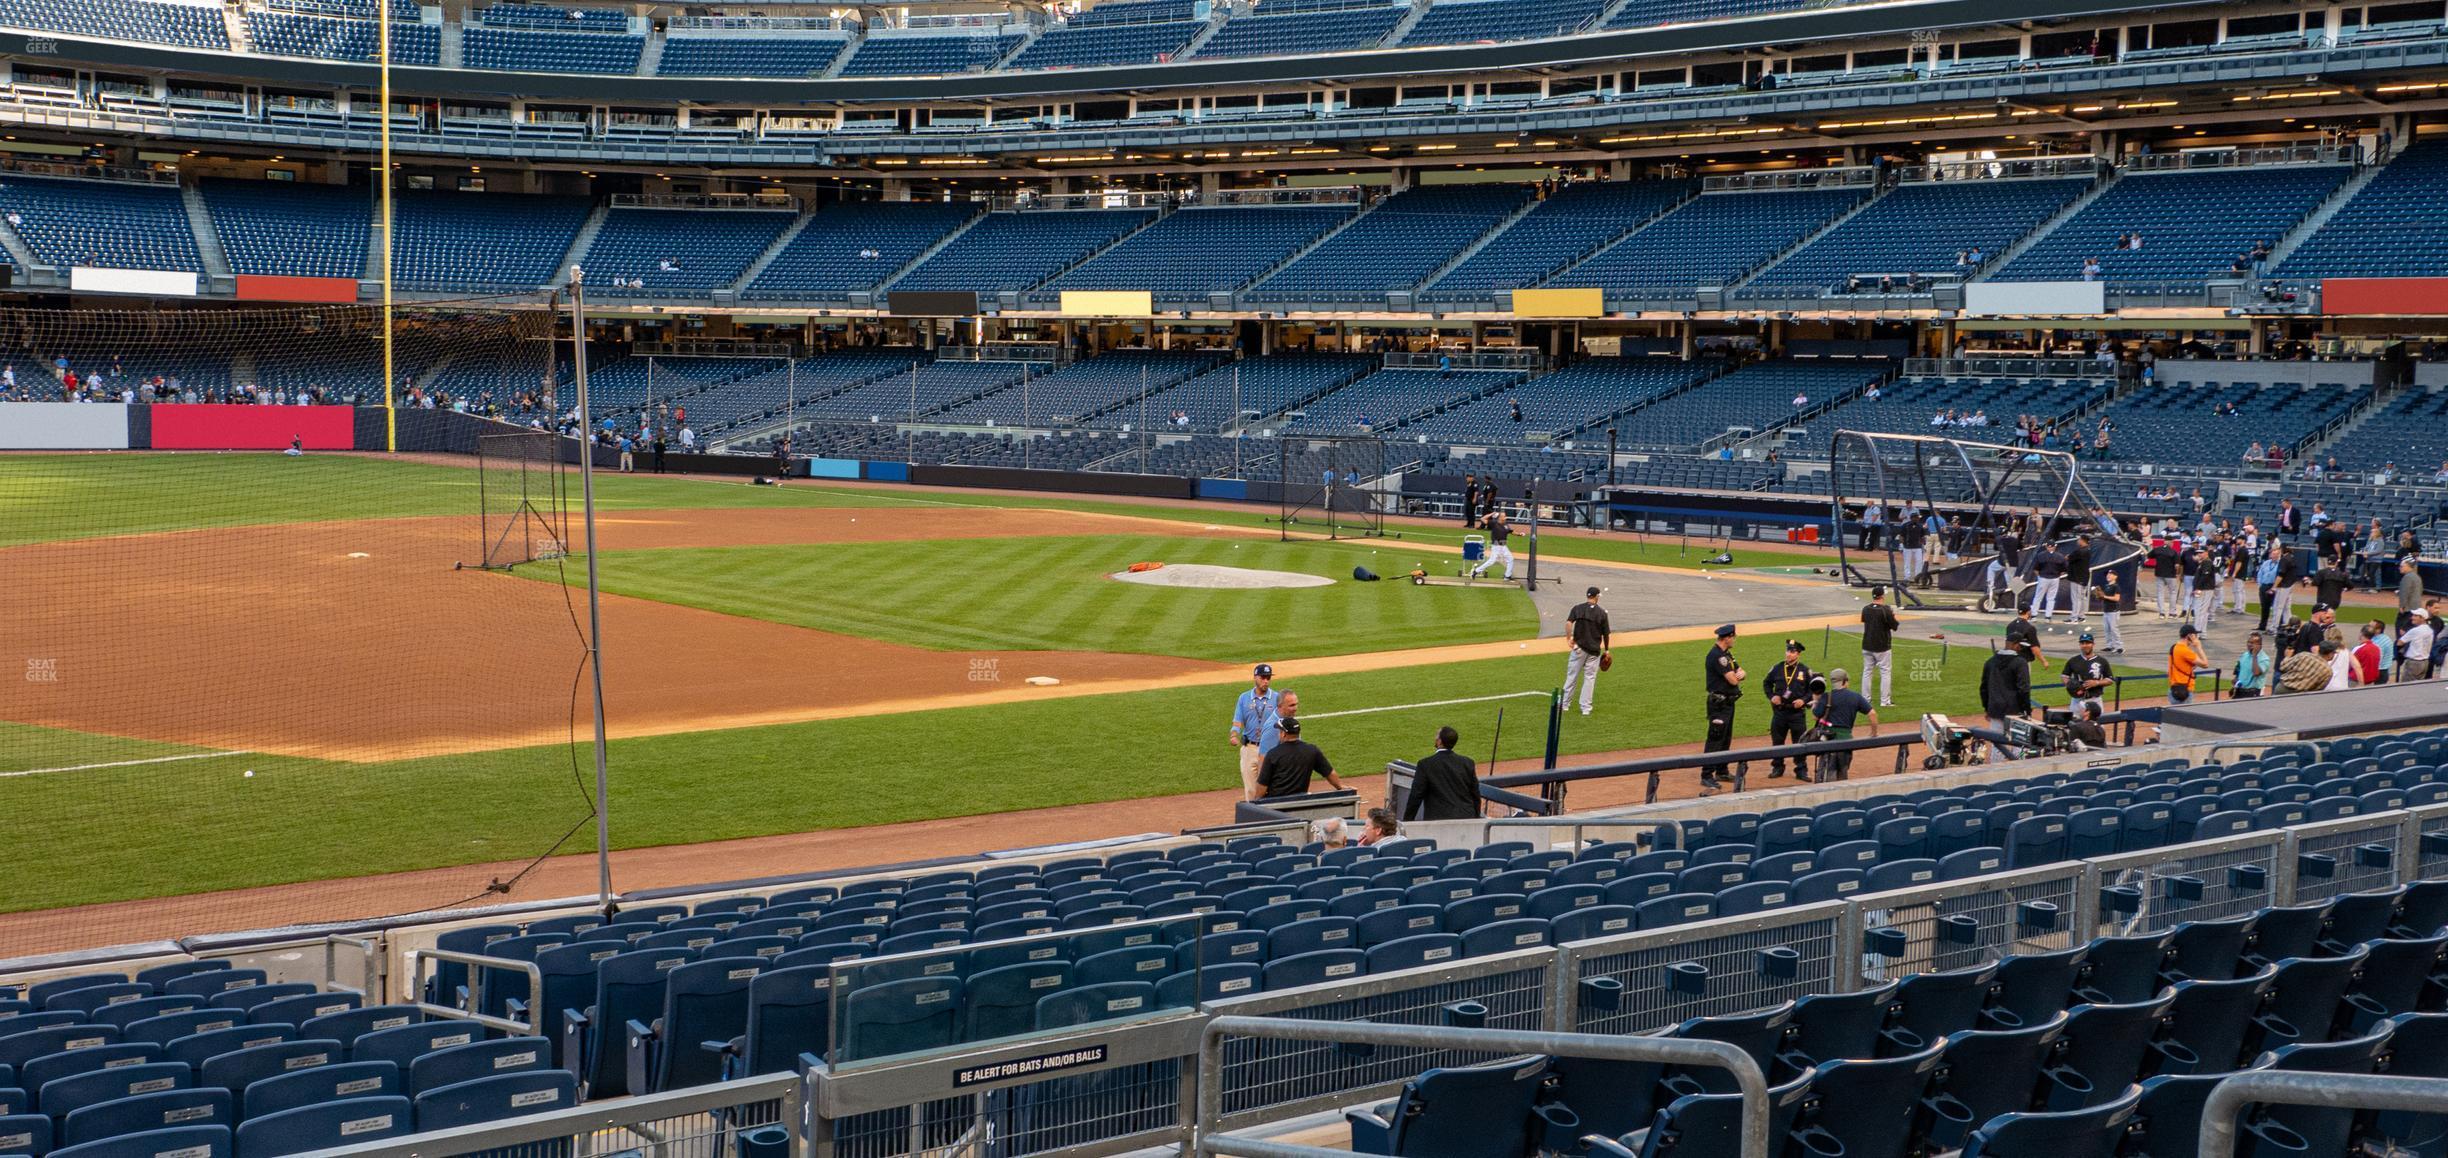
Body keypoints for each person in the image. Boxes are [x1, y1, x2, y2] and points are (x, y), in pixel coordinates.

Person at [1810, 668, 1877, 781]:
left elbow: (1815, 716)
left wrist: (1816, 700)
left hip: (1828, 739)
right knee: (1843, 771)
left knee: (1827, 772)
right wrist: (1873, 733)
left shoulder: (1827, 696)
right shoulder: (1856, 697)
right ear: (1845, 681)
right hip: (1846, 740)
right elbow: (1872, 714)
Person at [1700, 624, 1744, 795]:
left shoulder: (1726, 654)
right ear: (1727, 638)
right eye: (1733, 637)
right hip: (1719, 704)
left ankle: (1721, 770)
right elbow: (1734, 679)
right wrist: (1737, 676)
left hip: (1728, 703)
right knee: (1715, 738)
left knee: (1726, 738)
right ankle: (1706, 774)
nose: (1734, 640)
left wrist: (1739, 675)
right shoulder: (1717, 656)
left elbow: (1741, 672)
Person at [1762, 639, 1815, 780]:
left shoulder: (1805, 670)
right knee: (1777, 741)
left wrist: (1803, 700)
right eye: (1788, 651)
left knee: (1800, 742)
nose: (1789, 654)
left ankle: (1801, 770)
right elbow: (1766, 684)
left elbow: (1812, 690)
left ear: (1798, 654)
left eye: (1792, 652)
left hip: (1797, 713)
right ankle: (1777, 767)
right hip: (1780, 712)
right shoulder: (1777, 668)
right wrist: (1772, 696)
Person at [1404, 726, 1481, 821]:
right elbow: (1475, 794)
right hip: (1467, 816)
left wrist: (1407, 820)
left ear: (1439, 742)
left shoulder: (1425, 764)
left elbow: (1416, 795)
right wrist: (1477, 818)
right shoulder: (1467, 762)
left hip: (1439, 820)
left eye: (1436, 736)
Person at [1229, 664, 1279, 801]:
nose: (1266, 681)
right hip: (1249, 749)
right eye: (1263, 678)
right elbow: (1237, 721)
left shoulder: (1277, 698)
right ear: (1255, 677)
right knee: (1251, 790)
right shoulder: (1244, 698)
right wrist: (1234, 734)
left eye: (1268, 678)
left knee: (1270, 787)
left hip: (1270, 749)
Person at [1256, 716, 1341, 798]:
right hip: (1300, 802)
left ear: (1284, 734)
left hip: (1277, 805)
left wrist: (1256, 802)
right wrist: (1341, 788)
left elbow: (1262, 788)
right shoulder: (1312, 751)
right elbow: (1330, 774)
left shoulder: (1273, 754)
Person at [1979, 640, 2035, 762]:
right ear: (2014, 645)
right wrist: (2026, 709)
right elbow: (2024, 689)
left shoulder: (1990, 661)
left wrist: (1987, 708)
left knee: (1997, 745)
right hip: (2016, 711)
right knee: (2019, 744)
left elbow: (1984, 688)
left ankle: (1995, 774)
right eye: (2020, 646)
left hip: (1995, 709)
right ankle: (2019, 774)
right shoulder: (2020, 662)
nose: (2021, 649)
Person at [1563, 586, 1610, 716]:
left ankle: (1565, 704)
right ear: (1596, 597)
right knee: (1589, 679)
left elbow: (1568, 623)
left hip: (1579, 649)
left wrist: (1568, 639)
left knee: (1572, 676)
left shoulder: (1577, 608)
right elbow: (1606, 635)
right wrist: (1606, 650)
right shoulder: (1602, 613)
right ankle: (1585, 708)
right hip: (1593, 652)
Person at [1860, 585, 1898, 708]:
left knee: (1867, 672)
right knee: (1885, 672)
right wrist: (1893, 616)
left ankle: (1865, 699)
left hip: (1867, 644)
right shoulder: (1885, 610)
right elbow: (1895, 626)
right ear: (1882, 596)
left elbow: (1865, 621)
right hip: (1882, 646)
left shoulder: (1865, 609)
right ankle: (1884, 701)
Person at [2062, 633, 2113, 717]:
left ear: (2093, 644)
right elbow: (2064, 676)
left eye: (2087, 643)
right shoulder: (2073, 660)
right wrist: (2070, 685)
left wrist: (2096, 683)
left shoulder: (2102, 661)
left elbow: (2110, 679)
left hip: (2095, 700)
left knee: (2097, 726)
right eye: (2082, 643)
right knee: (2074, 726)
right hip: (2077, 700)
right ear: (2080, 645)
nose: (2085, 645)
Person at [1471, 511, 1515, 581]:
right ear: (1500, 517)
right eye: (1504, 516)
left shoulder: (1506, 524)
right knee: (1492, 561)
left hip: (1503, 546)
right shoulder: (1493, 523)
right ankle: (1476, 571)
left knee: (1510, 559)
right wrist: (1491, 514)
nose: (1505, 517)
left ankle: (1507, 576)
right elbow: (1482, 519)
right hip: (1496, 546)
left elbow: (1511, 531)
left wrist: (1519, 534)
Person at [2167, 624, 2206, 704]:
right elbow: (2205, 664)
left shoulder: (2174, 647)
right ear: (2190, 636)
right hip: (2184, 691)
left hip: (2173, 690)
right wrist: (2198, 647)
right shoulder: (2185, 651)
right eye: (2195, 635)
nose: (2196, 637)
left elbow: (2187, 665)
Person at [2030, 538, 2068, 619]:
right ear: (2055, 547)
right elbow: (2064, 570)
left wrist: (2039, 576)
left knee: (2038, 597)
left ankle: (2034, 615)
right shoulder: (2060, 556)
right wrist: (2057, 575)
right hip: (2055, 579)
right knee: (2051, 598)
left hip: (2043, 578)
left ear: (2046, 546)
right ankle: (2048, 616)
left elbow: (2035, 569)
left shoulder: (2040, 555)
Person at [2094, 566, 2128, 654]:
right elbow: (2105, 598)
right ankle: (2110, 646)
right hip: (2106, 610)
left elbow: (2117, 598)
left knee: (2114, 629)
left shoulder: (2116, 587)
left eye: (2110, 574)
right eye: (2108, 574)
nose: (2108, 576)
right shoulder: (2106, 586)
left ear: (2115, 577)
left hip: (2113, 611)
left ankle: (2120, 647)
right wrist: (2099, 597)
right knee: (2107, 629)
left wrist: (2104, 596)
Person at [2232, 632, 2272, 698]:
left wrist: (2254, 656)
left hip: (2254, 693)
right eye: (2248, 642)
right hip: (2240, 691)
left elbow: (2256, 673)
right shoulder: (2244, 655)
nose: (2249, 645)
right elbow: (2238, 670)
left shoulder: (2264, 659)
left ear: (2259, 645)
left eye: (2252, 643)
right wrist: (2235, 680)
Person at [2403, 609, 2436, 680]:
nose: (2412, 617)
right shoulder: (2430, 630)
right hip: (2425, 662)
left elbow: (2400, 642)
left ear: (2422, 618)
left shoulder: (2415, 630)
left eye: (2415, 616)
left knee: (2406, 686)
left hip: (2414, 662)